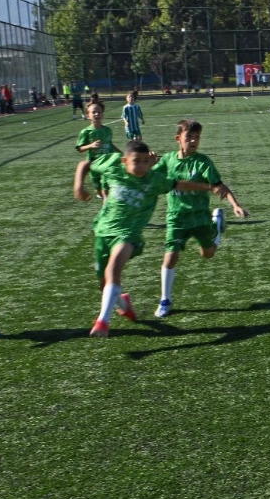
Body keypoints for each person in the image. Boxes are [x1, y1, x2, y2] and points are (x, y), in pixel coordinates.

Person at [74, 140, 217, 336]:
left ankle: (102, 322)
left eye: (144, 161)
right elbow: (84, 165)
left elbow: (178, 184)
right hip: (103, 231)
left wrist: (209, 187)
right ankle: (123, 303)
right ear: (124, 161)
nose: (141, 165)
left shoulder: (154, 180)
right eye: (136, 161)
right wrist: (78, 187)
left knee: (113, 268)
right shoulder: (113, 165)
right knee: (103, 282)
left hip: (128, 234)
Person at [155, 119, 248, 318]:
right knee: (170, 256)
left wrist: (235, 205)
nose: (193, 141)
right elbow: (149, 177)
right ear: (178, 139)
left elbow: (219, 186)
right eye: (189, 137)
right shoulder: (167, 160)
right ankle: (165, 299)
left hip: (200, 218)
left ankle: (216, 226)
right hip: (176, 218)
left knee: (207, 254)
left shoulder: (203, 162)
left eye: (197, 137)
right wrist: (148, 161)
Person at [75, 101, 120, 200]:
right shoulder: (86, 132)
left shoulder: (107, 130)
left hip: (107, 164)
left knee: (107, 192)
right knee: (99, 191)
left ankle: (105, 199)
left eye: (99, 112)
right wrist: (90, 145)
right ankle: (100, 193)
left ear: (102, 114)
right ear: (88, 115)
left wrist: (121, 154)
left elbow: (110, 144)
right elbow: (79, 149)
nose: (97, 114)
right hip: (94, 164)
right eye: (94, 112)